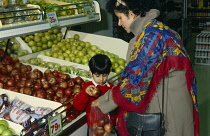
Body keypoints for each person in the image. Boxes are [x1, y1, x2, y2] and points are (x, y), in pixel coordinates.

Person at [91, 0, 200, 136]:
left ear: (131, 13)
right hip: (174, 103)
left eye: (120, 18)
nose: (119, 23)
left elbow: (135, 83)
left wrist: (103, 102)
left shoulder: (151, 37)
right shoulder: (158, 28)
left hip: (170, 112)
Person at [73, 54, 117, 132]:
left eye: (105, 75)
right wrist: (85, 93)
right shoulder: (88, 87)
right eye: (97, 76)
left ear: (109, 72)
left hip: (109, 126)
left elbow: (115, 107)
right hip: (94, 126)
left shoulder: (111, 87)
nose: (101, 79)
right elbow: (78, 106)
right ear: (90, 73)